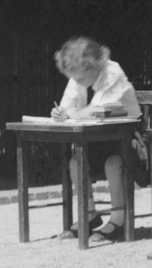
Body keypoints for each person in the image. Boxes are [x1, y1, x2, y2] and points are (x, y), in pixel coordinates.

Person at [51, 36, 142, 242]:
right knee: (76, 161)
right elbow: (68, 106)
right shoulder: (79, 76)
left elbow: (96, 111)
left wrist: (72, 113)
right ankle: (89, 214)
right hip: (99, 138)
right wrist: (60, 112)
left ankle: (118, 218)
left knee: (113, 163)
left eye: (81, 79)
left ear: (94, 66)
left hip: (130, 139)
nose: (78, 82)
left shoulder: (112, 73)